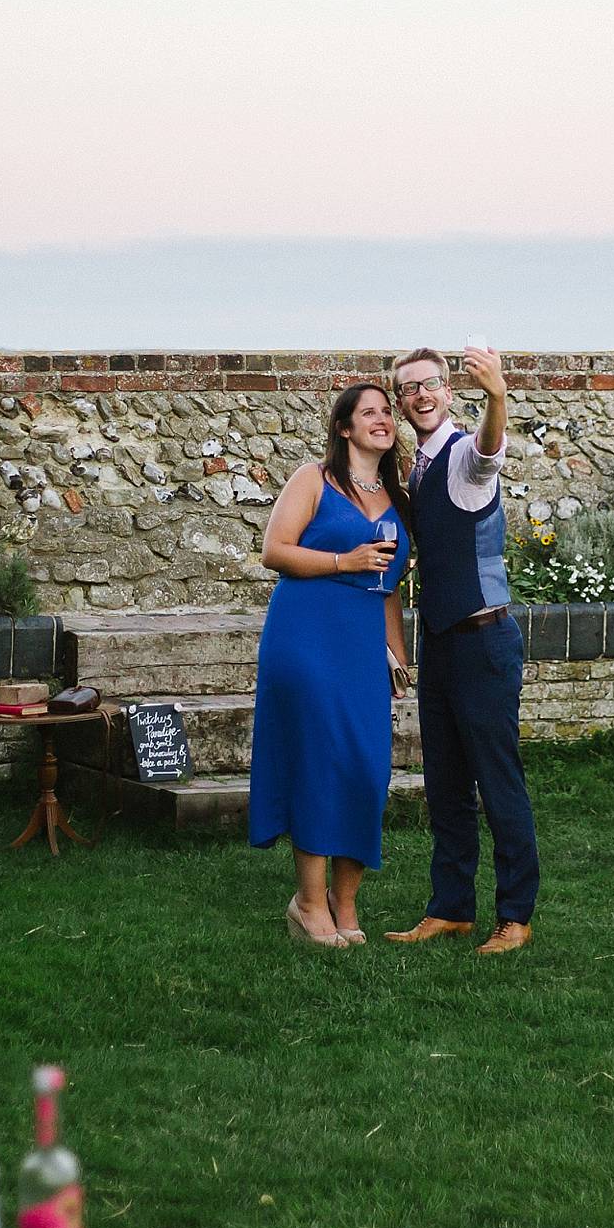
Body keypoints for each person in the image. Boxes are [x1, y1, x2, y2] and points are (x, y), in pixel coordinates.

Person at [382, 347, 539, 959]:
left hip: (483, 642)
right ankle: (450, 908)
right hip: (441, 644)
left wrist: (497, 396)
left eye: (429, 385)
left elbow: (488, 452)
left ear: (449, 392)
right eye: (407, 389)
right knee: (445, 785)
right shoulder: (415, 467)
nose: (419, 395)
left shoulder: (461, 458)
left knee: (498, 783)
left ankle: (515, 916)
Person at [249, 381, 412, 950]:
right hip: (306, 636)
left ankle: (347, 904)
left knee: (367, 770)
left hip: (364, 642)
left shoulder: (398, 495)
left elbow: (389, 587)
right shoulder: (312, 480)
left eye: (387, 412)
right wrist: (347, 559)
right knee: (319, 764)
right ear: (344, 427)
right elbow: (275, 551)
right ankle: (309, 904)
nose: (382, 419)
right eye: (369, 412)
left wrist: (396, 653)